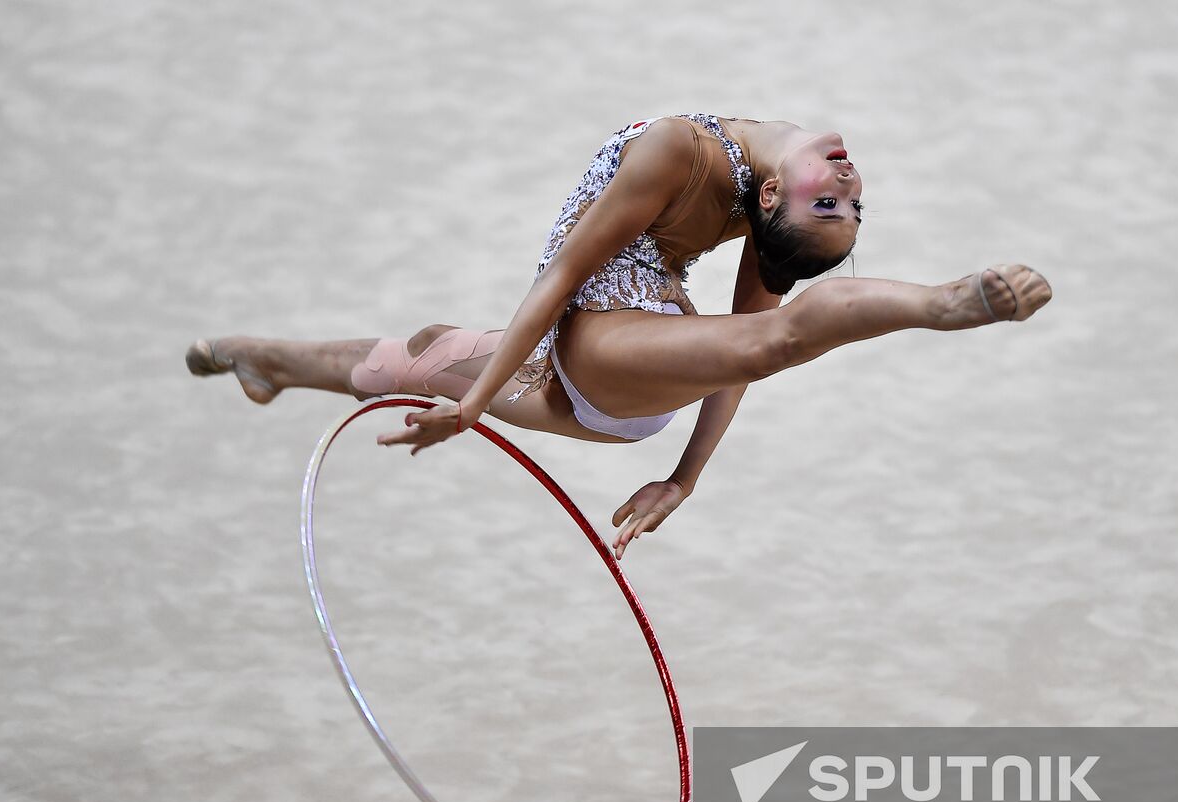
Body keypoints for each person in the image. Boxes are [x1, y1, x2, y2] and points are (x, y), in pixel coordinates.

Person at [187, 113, 1052, 559]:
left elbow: (748, 344)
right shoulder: (708, 158)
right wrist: (483, 394)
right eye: (844, 200)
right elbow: (571, 281)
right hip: (603, 367)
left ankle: (945, 305)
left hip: (611, 348)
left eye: (840, 202)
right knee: (421, 353)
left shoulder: (690, 155)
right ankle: (266, 360)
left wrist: (685, 477)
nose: (849, 181)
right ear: (767, 200)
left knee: (770, 338)